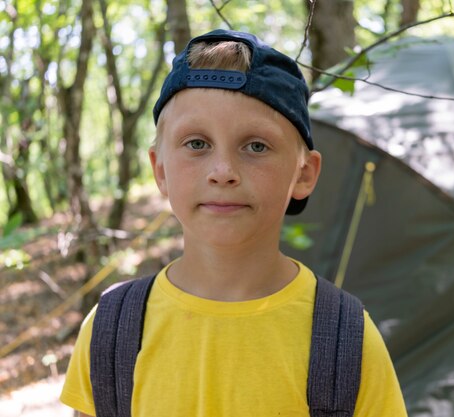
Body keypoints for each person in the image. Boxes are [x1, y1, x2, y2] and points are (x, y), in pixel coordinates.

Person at [60, 29, 407, 417]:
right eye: (196, 144)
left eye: (256, 146)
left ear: (304, 174)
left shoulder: (347, 341)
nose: (223, 171)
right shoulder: (111, 331)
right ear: (160, 170)